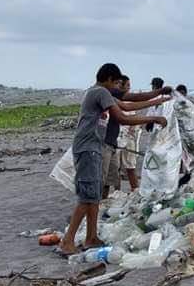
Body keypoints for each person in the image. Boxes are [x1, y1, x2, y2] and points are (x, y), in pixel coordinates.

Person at [59, 64, 167, 256]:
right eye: (116, 83)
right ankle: (67, 241)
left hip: (94, 147)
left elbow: (126, 103)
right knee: (86, 197)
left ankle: (91, 237)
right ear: (108, 79)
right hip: (88, 148)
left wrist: (158, 97)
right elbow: (122, 116)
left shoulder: (100, 92)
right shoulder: (100, 91)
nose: (118, 87)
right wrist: (153, 119)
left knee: (94, 196)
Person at [102, 75, 172, 198]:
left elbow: (133, 105)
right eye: (125, 85)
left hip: (128, 138)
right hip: (114, 140)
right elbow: (124, 115)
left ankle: (133, 190)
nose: (128, 88)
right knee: (112, 172)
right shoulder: (108, 97)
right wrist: (153, 118)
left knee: (128, 166)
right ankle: (115, 194)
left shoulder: (119, 98)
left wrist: (154, 107)